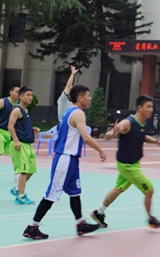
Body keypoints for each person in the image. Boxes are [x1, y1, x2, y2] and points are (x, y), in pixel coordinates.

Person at [22, 84, 108, 240]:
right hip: (65, 159)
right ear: (80, 98)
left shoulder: (68, 112)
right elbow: (86, 137)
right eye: (88, 96)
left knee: (75, 193)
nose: (90, 99)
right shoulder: (78, 113)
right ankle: (31, 227)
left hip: (71, 160)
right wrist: (100, 150)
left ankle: (81, 223)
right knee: (51, 194)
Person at [91, 95, 160, 229]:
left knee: (119, 188)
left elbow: (142, 136)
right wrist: (112, 133)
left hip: (133, 163)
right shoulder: (128, 123)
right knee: (149, 190)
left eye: (152, 107)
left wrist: (156, 141)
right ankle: (151, 219)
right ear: (139, 108)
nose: (151, 109)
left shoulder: (143, 123)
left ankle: (99, 212)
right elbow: (108, 135)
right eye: (148, 106)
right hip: (128, 165)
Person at [7, 87, 40, 205]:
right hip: (20, 144)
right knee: (24, 171)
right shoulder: (17, 110)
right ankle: (21, 196)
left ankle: (17, 189)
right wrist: (16, 141)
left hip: (28, 145)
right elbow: (10, 126)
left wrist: (31, 129)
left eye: (31, 95)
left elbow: (20, 126)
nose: (30, 97)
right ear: (20, 97)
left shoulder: (25, 111)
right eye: (28, 95)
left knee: (31, 170)